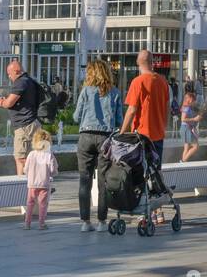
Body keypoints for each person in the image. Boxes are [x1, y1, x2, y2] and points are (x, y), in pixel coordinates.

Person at [72, 58, 122, 232]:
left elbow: (76, 117)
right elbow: (119, 120)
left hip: (85, 137)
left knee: (84, 180)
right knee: (103, 181)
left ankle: (85, 222)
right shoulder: (115, 92)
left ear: (90, 74)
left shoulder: (86, 91)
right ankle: (102, 221)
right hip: (105, 139)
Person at [0, 58, 43, 176]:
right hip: (32, 122)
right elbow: (19, 102)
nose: (9, 77)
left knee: (20, 158)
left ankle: (23, 186)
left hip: (24, 125)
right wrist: (5, 101)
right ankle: (37, 181)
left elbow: (9, 103)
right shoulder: (29, 81)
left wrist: (0, 102)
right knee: (32, 156)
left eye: (9, 73)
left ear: (16, 70)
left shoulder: (20, 82)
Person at [125, 49, 170, 174]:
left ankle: (143, 193)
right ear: (152, 62)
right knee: (156, 171)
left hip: (142, 135)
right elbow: (167, 107)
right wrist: (164, 126)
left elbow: (131, 110)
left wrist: (123, 131)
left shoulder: (137, 82)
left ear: (138, 62)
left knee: (141, 172)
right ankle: (156, 192)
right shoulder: (163, 82)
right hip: (159, 134)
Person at [22, 128, 58, 230]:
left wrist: (28, 175)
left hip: (32, 184)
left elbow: (26, 169)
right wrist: (52, 174)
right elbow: (52, 170)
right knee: (43, 204)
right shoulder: (49, 155)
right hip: (44, 184)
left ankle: (27, 223)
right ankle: (41, 224)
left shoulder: (31, 154)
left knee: (30, 203)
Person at [179, 84, 201, 162]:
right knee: (196, 146)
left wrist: (196, 119)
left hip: (186, 129)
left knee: (186, 147)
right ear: (189, 100)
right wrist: (194, 119)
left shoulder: (187, 107)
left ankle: (183, 163)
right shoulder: (186, 107)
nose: (194, 102)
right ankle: (183, 160)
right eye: (193, 100)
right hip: (186, 129)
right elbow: (183, 119)